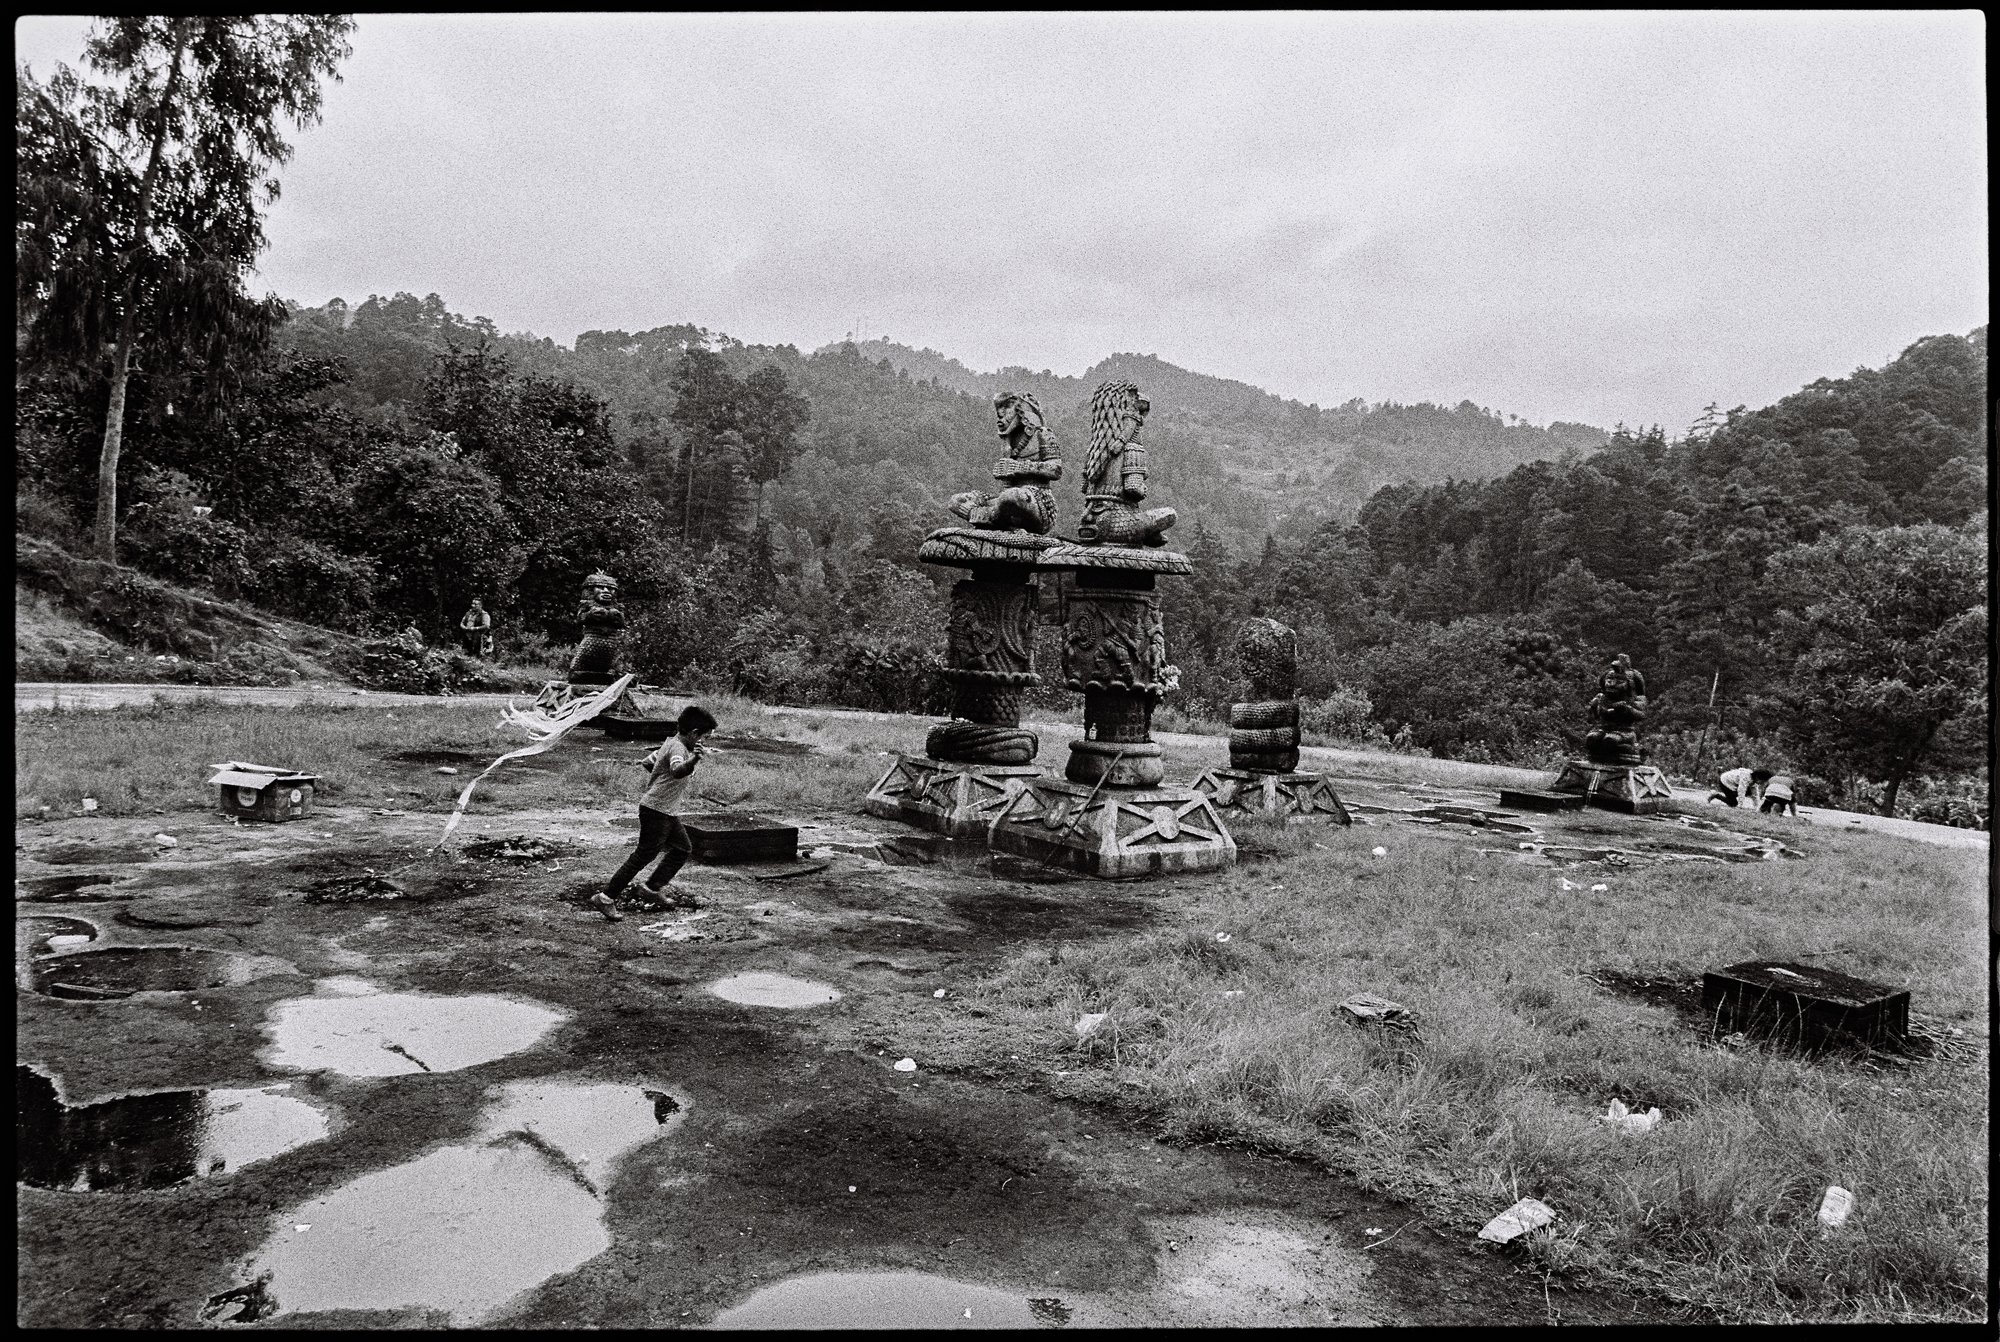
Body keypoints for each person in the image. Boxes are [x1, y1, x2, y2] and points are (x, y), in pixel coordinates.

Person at [592, 704, 718, 922]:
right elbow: (678, 771)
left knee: (682, 848)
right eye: (703, 738)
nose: (703, 743)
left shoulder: (670, 742)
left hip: (664, 809)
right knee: (644, 855)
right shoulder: (679, 748)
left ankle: (651, 888)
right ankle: (606, 897)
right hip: (657, 810)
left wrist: (661, 779)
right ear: (694, 733)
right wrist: (695, 760)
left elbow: (648, 762)